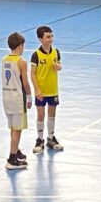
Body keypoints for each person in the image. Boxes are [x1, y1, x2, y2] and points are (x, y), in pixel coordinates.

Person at [30, 25, 64, 154]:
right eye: (48, 37)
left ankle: (51, 138)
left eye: (51, 36)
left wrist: (58, 67)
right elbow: (32, 74)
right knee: (41, 115)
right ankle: (39, 140)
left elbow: (59, 66)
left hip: (53, 90)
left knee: (52, 114)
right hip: (41, 91)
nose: (51, 39)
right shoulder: (36, 55)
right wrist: (37, 89)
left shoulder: (56, 52)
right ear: (40, 39)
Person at [2, 32, 31, 170]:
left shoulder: (4, 59)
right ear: (20, 46)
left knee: (13, 127)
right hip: (18, 98)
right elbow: (25, 82)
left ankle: (16, 150)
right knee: (18, 129)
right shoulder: (22, 62)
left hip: (6, 97)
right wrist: (30, 97)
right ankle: (12, 159)